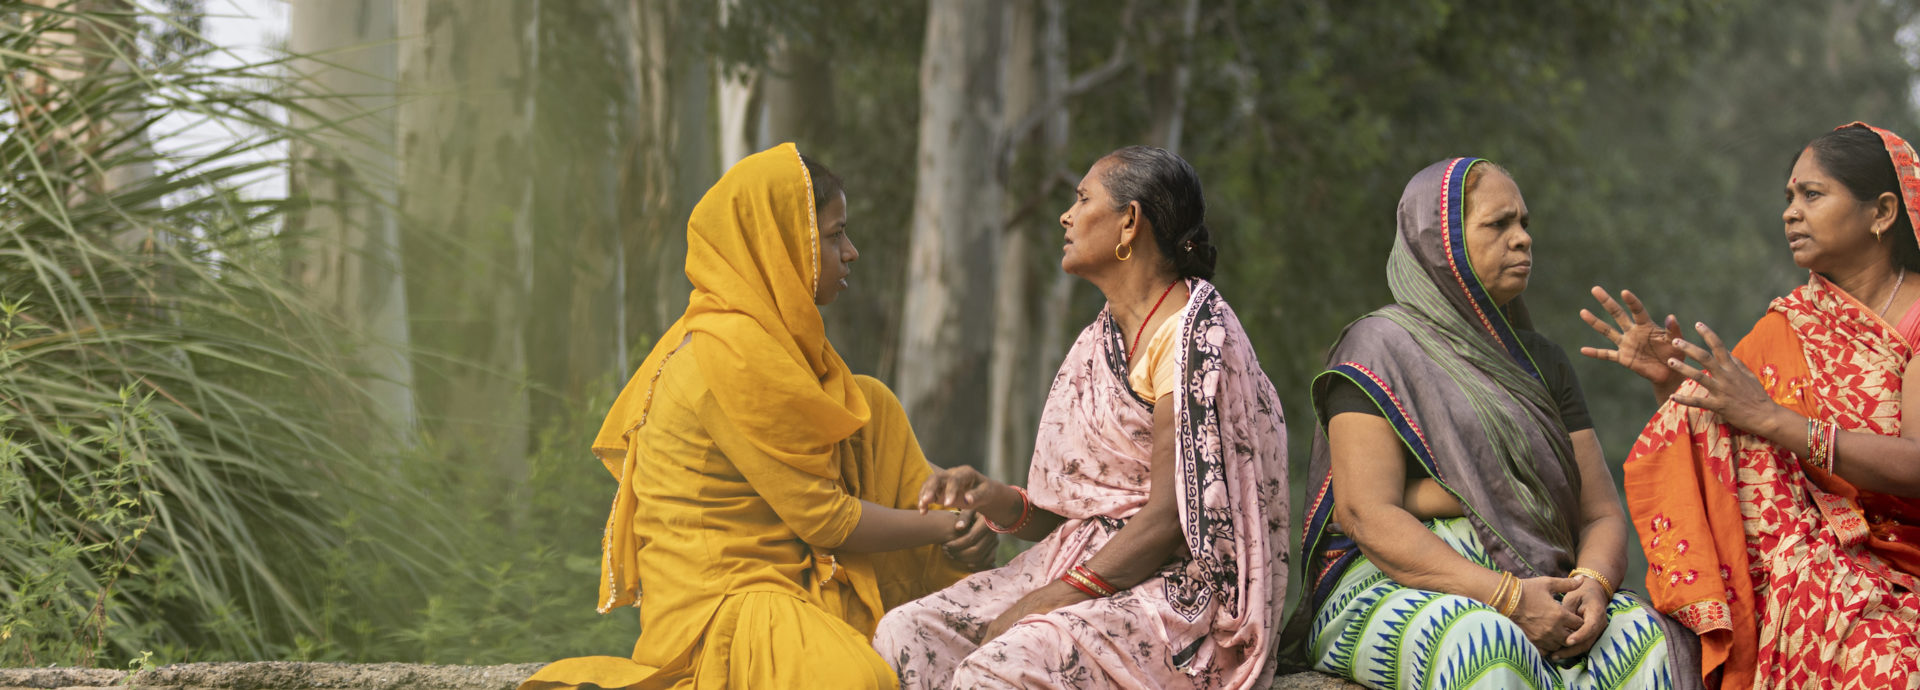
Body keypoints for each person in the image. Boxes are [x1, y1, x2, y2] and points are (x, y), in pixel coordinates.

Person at [519, 144, 995, 690]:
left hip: (796, 575)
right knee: (859, 681)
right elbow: (827, 521)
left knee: (871, 406)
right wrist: (943, 527)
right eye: (835, 235)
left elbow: (879, 487)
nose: (853, 252)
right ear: (783, 244)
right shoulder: (729, 351)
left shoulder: (777, 344)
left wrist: (963, 517)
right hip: (725, 597)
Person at [869, 146, 1288, 689]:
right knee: (908, 632)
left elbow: (1166, 519)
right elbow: (1066, 516)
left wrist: (1045, 602)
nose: (1066, 216)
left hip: (1170, 592)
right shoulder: (1101, 341)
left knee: (1000, 667)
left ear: (1129, 223)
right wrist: (987, 494)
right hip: (1077, 570)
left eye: (1083, 198)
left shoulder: (1194, 336)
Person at [1284, 157, 1700, 689]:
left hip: (1545, 582)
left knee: (1644, 639)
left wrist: (1592, 586)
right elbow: (1366, 512)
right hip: (1391, 583)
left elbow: (1598, 514)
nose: (1523, 239)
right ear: (1439, 241)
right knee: (1485, 644)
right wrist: (1506, 596)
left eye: (1525, 223)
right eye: (1499, 224)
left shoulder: (1543, 364)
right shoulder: (1380, 347)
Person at [1586, 122, 1920, 688]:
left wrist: (1776, 420)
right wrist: (1669, 385)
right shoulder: (1785, 328)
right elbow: (1725, 446)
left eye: (1812, 195)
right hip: (1817, 581)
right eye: (1788, 198)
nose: (1790, 212)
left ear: (1882, 212)